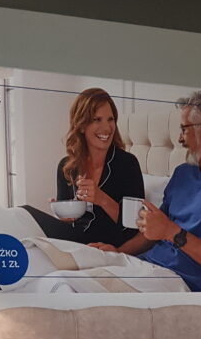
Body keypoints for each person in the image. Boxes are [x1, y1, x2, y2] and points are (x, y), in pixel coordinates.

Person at [92, 91, 201, 292]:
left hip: (181, 282)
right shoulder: (182, 173)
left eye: (184, 129)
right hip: (146, 267)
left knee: (81, 291)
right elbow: (154, 232)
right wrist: (118, 252)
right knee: (63, 275)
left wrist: (171, 232)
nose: (180, 138)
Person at [24, 88, 144, 247]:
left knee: (23, 215)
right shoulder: (66, 167)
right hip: (73, 243)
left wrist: (102, 199)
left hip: (105, 245)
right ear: (81, 126)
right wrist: (63, 216)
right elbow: (67, 223)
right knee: (22, 215)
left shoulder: (128, 164)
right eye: (97, 120)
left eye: (110, 119)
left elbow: (135, 227)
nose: (107, 128)